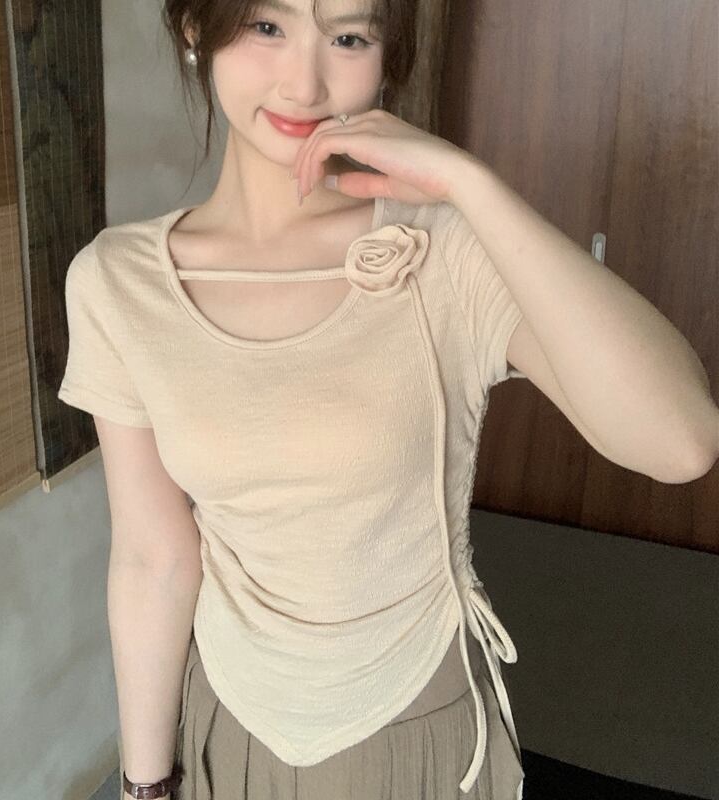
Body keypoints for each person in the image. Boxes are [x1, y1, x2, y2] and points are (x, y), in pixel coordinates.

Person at [58, 1, 719, 799]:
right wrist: (144, 786)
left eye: (347, 37)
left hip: (414, 730)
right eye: (267, 27)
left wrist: (471, 187)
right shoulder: (117, 281)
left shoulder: (445, 248)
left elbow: (680, 441)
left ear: (386, 57)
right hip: (227, 725)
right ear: (197, 29)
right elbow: (153, 557)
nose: (304, 83)